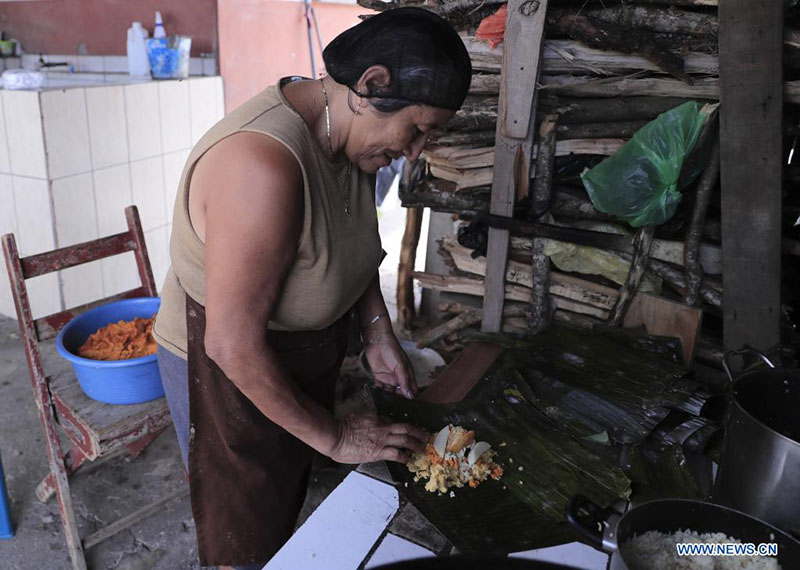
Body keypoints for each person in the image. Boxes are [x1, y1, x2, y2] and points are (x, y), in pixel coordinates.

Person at [152, 7, 472, 569]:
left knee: (286, 500)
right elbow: (231, 345)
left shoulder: (353, 136)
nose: (415, 151)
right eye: (417, 130)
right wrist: (335, 438)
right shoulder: (261, 167)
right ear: (371, 86)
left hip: (296, 351)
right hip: (224, 370)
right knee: (243, 532)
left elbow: (350, 243)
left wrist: (377, 330)